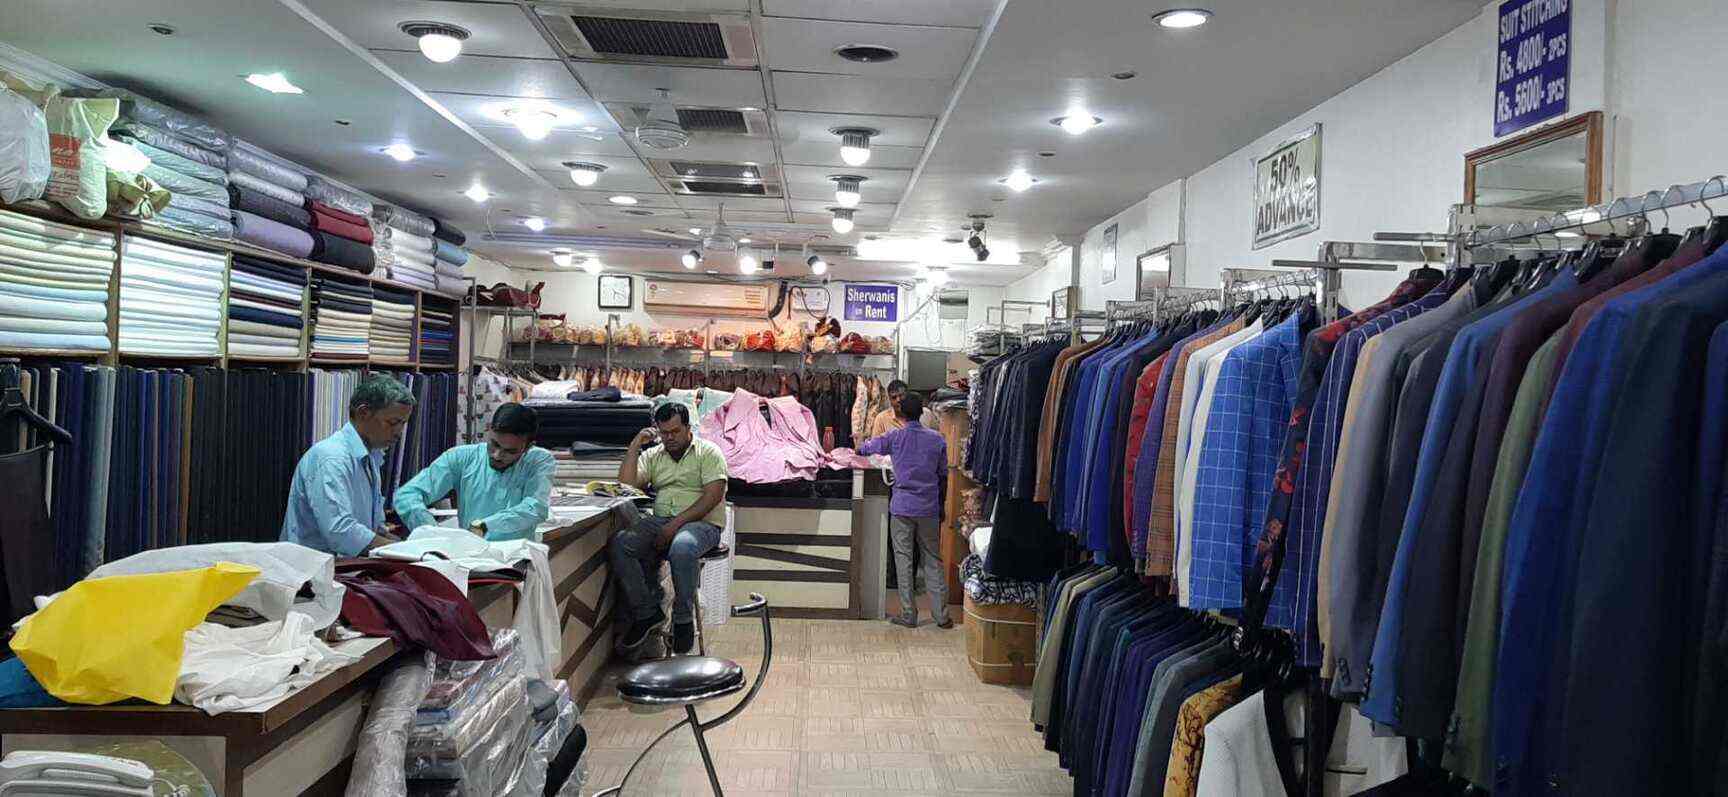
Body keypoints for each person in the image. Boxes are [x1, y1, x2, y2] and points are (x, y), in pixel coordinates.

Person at [610, 403, 729, 654]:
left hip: (703, 524)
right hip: (661, 521)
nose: (670, 438)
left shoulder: (708, 452)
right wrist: (635, 445)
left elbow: (713, 496)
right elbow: (626, 486)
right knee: (621, 543)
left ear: (688, 428)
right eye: (664, 433)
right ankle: (646, 612)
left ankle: (683, 618)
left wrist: (674, 526)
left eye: (675, 431)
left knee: (682, 546)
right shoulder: (654, 455)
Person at [281, 373, 416, 556]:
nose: (399, 432)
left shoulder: (371, 456)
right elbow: (340, 531)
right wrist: (401, 550)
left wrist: (409, 547)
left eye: (403, 424)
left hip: (340, 565)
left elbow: (372, 528)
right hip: (313, 568)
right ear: (363, 413)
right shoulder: (332, 459)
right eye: (393, 423)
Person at [394, 403, 556, 541]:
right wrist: (430, 530)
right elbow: (407, 494)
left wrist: (486, 525)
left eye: (510, 451)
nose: (497, 455)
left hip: (517, 558)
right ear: (489, 430)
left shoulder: (539, 461)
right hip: (470, 554)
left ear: (527, 447)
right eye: (494, 444)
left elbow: (535, 508)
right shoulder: (461, 457)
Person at [859, 392, 950, 628]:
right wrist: (941, 506)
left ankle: (909, 615)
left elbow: (866, 449)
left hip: (902, 506)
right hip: (929, 507)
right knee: (932, 560)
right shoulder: (937, 440)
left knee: (903, 560)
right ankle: (941, 616)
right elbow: (943, 476)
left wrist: (859, 445)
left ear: (900, 412)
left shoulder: (895, 437)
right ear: (922, 412)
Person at [869, 379, 938, 438]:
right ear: (889, 400)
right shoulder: (881, 419)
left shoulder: (926, 414)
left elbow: (938, 439)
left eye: (901, 395)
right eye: (894, 397)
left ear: (908, 395)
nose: (898, 400)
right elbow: (875, 447)